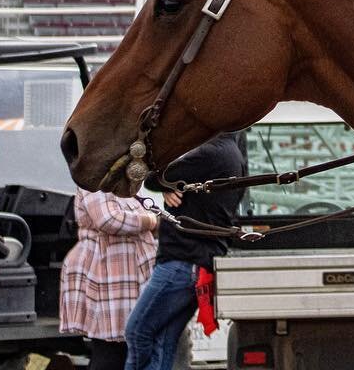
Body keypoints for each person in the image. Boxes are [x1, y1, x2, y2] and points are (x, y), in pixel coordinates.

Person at [125, 132, 245, 370]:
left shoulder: (210, 152)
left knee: (137, 331)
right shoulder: (234, 154)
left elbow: (150, 178)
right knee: (163, 340)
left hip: (181, 262)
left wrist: (165, 182)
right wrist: (170, 184)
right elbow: (169, 178)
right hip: (197, 264)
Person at [60, 189, 159, 370]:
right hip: (107, 272)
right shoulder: (94, 183)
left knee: (121, 347)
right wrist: (150, 220)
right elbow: (108, 219)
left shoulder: (122, 185)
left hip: (122, 273)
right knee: (111, 347)